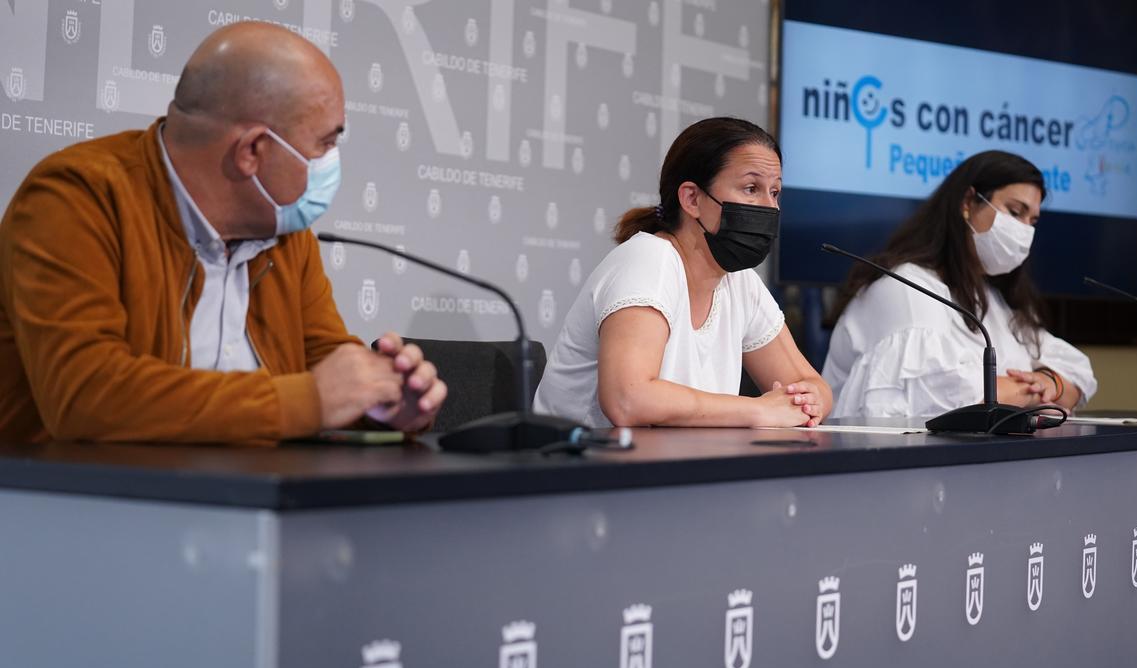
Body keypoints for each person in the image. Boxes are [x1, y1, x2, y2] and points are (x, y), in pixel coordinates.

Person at [0, 22, 446, 443]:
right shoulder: (78, 197)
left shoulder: (284, 231)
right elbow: (84, 396)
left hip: (243, 505)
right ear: (253, 150)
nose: (331, 159)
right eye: (326, 143)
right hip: (73, 510)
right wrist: (308, 400)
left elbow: (323, 363)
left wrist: (385, 400)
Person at [533, 117, 832, 428]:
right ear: (691, 198)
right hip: (579, 467)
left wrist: (807, 401)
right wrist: (758, 410)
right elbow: (628, 399)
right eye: (751, 188)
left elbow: (812, 385)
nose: (769, 208)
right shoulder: (650, 260)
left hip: (670, 466)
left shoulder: (740, 281)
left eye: (775, 192)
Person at [823, 150, 1097, 418]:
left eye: (1032, 221)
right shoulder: (905, 286)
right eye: (1015, 212)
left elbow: (1078, 378)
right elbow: (948, 399)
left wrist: (1050, 382)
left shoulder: (996, 298)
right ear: (967, 202)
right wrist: (1040, 389)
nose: (1025, 230)